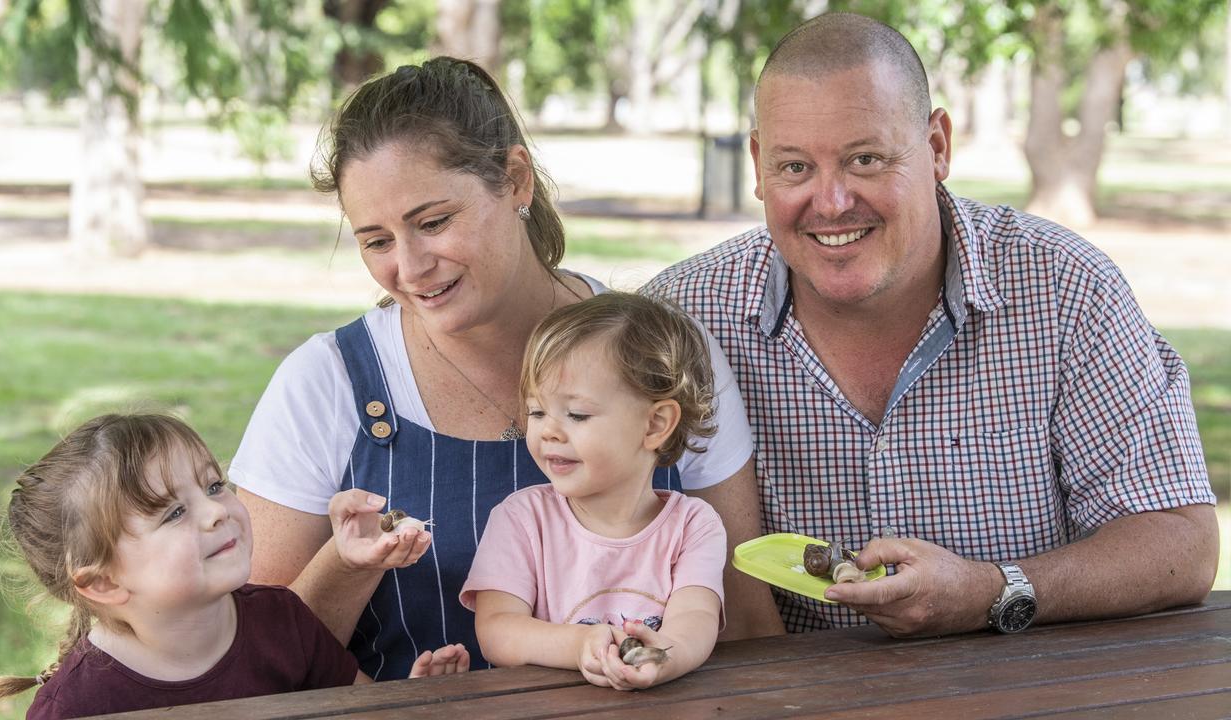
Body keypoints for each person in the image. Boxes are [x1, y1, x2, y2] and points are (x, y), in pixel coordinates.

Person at [644, 12, 1218, 637]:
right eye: (795, 168)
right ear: (757, 163)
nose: (832, 202)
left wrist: (992, 591)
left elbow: (1180, 544)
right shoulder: (679, 319)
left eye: (865, 159)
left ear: (938, 146)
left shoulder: (1064, 288)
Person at [229, 57, 782, 681]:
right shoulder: (327, 384)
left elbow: (746, 620)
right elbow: (254, 657)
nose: (409, 269)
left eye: (433, 222)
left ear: (515, 179)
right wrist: (354, 560)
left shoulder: (667, 356)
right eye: (376, 241)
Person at [0, 414, 468, 720]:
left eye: (213, 486)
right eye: (173, 512)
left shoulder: (282, 620)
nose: (217, 510)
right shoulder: (78, 707)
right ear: (103, 581)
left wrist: (408, 704)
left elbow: (359, 710)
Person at [463, 293, 725, 691]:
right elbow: (497, 630)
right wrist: (583, 644)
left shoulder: (693, 526)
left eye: (577, 414)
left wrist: (662, 658)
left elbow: (696, 619)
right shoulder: (521, 518)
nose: (548, 430)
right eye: (537, 412)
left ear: (655, 425)